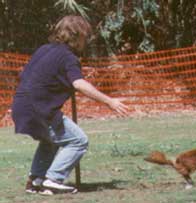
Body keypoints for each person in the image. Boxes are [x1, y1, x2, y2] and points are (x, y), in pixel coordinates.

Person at [11, 15, 129, 195]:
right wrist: (110, 101)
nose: (86, 41)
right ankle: (54, 179)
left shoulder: (44, 49)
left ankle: (36, 180)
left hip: (20, 105)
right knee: (78, 141)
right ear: (77, 36)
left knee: (50, 141)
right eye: (85, 37)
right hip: (40, 109)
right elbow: (79, 84)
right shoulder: (68, 57)